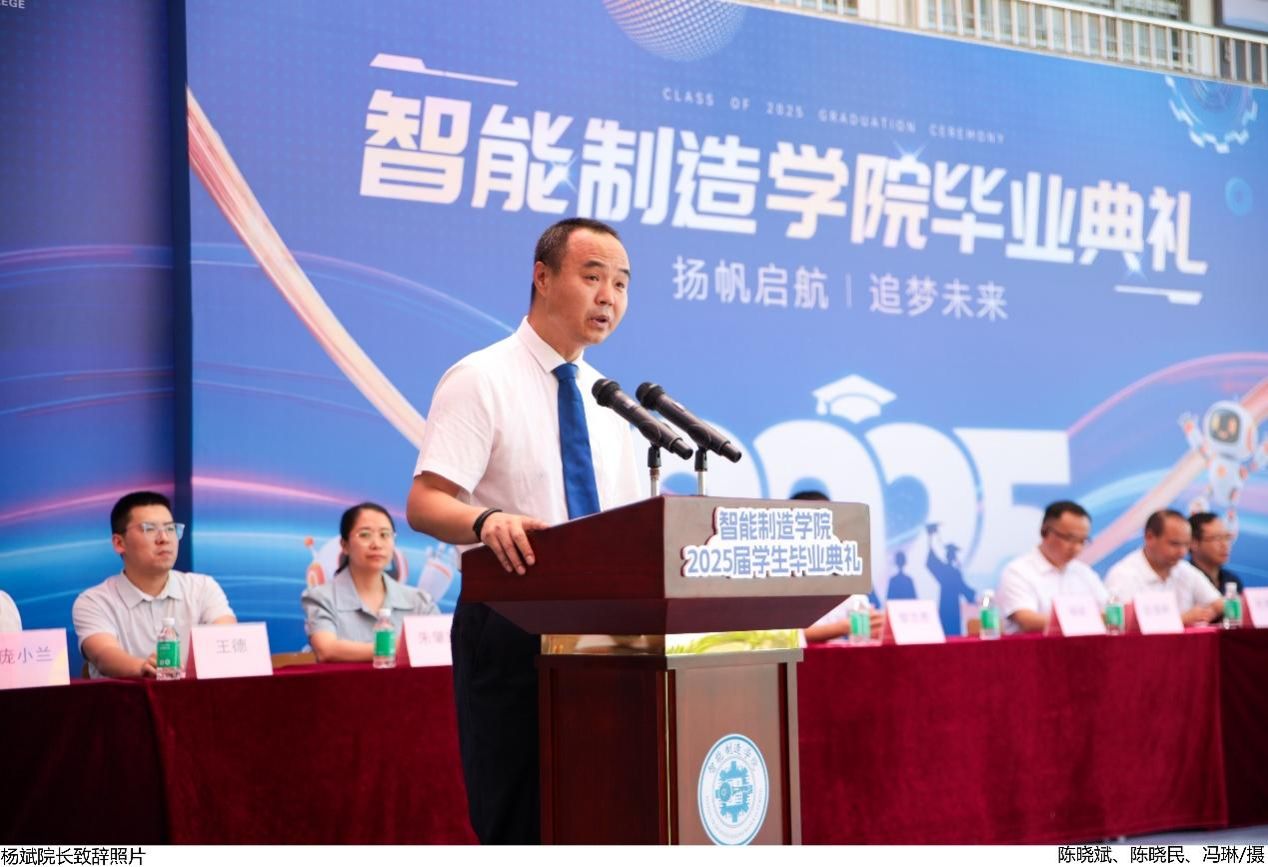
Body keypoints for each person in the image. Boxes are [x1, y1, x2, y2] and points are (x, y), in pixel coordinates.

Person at [406, 218, 642, 844]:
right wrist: (486, 520)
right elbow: (425, 503)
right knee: (520, 818)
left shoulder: (609, 401)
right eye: (593, 277)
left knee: (600, 813)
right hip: (511, 625)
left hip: (604, 632)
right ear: (542, 277)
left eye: (621, 284)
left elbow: (625, 523)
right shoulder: (481, 378)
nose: (608, 297)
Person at [72, 491, 236, 679]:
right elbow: (103, 655)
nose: (164, 538)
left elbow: (227, 639)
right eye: (149, 529)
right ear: (119, 543)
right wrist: (143, 668)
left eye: (170, 528)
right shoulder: (94, 601)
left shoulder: (203, 588)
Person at [301, 503, 437, 662]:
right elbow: (327, 650)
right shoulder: (321, 597)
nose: (376, 544)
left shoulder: (419, 601)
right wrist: (404, 646)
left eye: (385, 535)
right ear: (344, 545)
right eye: (365, 535)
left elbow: (442, 648)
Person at [995, 500, 1108, 634]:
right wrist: (1083, 621)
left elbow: (1108, 611)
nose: (1077, 548)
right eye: (1070, 538)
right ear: (1045, 531)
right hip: (1035, 646)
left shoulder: (1084, 572)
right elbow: (1026, 619)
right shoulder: (1018, 572)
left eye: (1082, 540)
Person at [1104, 509, 1224, 626]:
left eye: (1186, 544)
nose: (1182, 552)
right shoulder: (1123, 574)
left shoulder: (1184, 569)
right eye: (1175, 544)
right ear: (1150, 537)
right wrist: (1182, 619)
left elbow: (1220, 604)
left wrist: (1208, 613)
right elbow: (1125, 625)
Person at [1188, 511, 1243, 596]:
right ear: (1193, 543)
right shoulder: (1184, 580)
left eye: (1227, 537)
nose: (1225, 545)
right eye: (1217, 538)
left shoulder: (1232, 581)